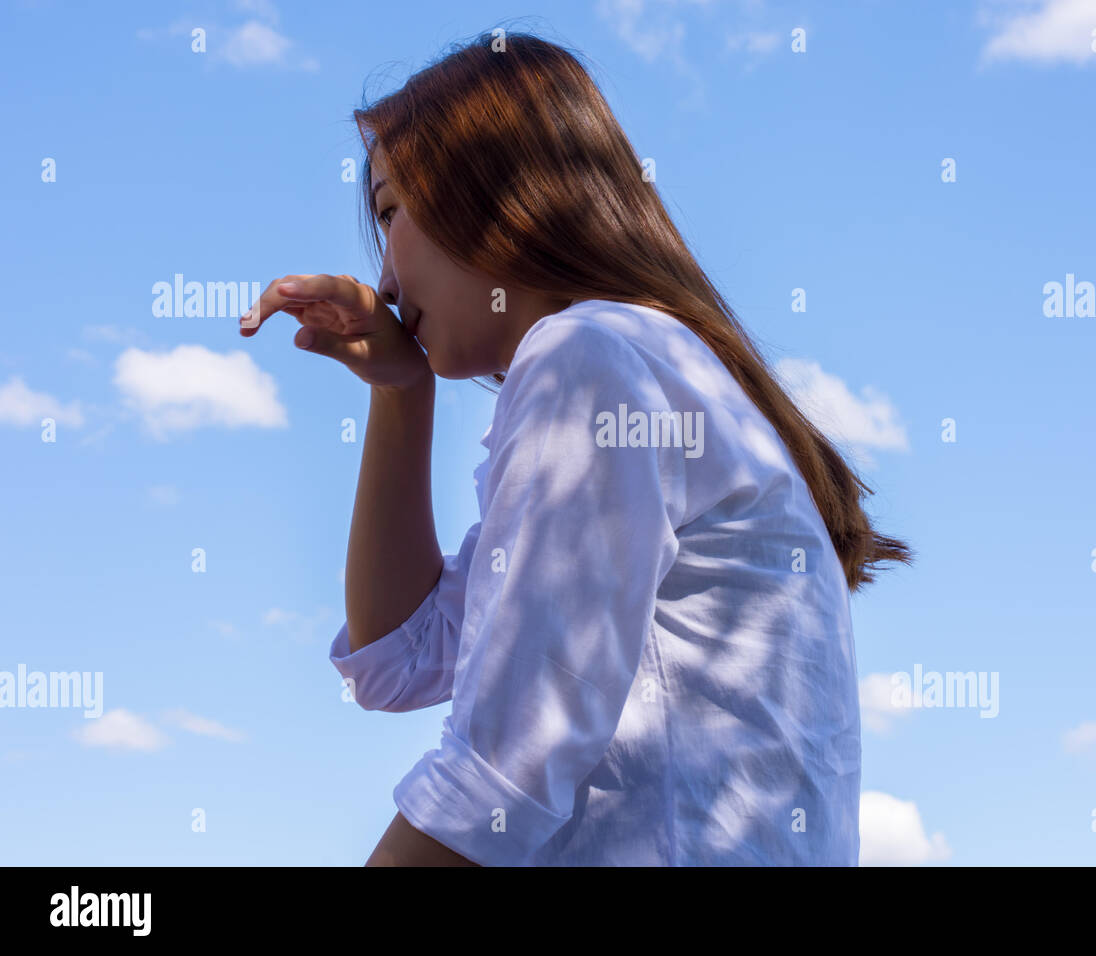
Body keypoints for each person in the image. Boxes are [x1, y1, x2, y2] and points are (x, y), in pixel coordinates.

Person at [238, 29, 911, 866]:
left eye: (389, 212)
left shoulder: (588, 357)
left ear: (490, 193)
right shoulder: (640, 364)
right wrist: (403, 394)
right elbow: (396, 660)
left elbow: (499, 773)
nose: (382, 281)